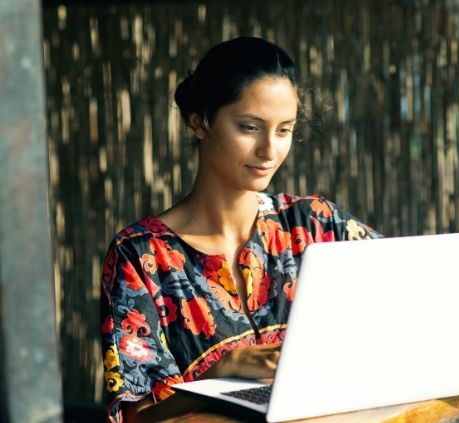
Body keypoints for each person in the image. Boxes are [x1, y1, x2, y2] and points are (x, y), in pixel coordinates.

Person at [100, 37, 381, 422]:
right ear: (200, 121)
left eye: (284, 130)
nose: (269, 150)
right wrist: (220, 372)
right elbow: (137, 419)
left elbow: (408, 297)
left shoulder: (317, 223)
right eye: (249, 127)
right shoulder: (142, 256)